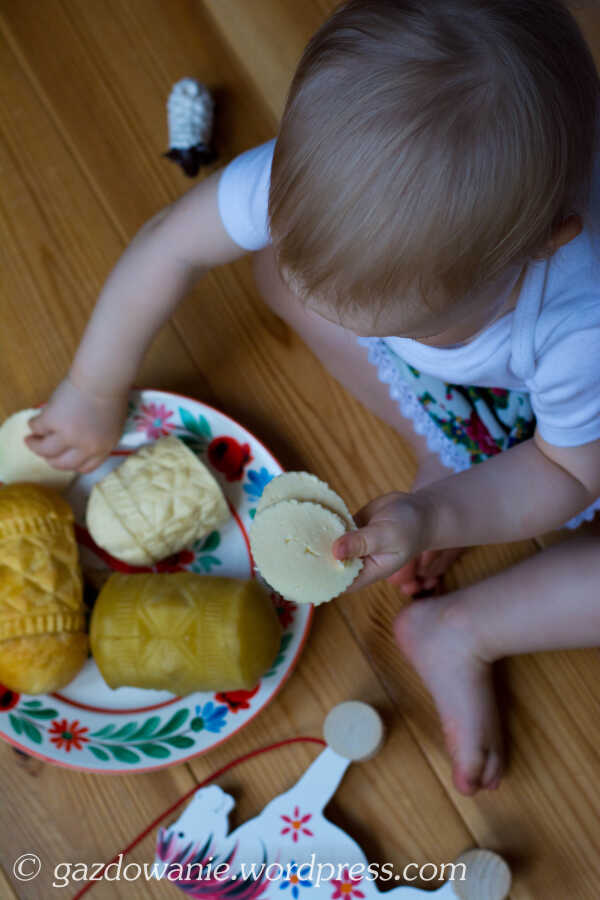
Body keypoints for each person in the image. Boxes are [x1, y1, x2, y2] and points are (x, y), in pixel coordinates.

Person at [26, 0, 600, 795]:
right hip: (498, 387)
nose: (334, 318)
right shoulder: (338, 179)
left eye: (407, 323)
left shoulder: (584, 320)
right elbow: (172, 242)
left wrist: (436, 517)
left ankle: (469, 628)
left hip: (575, 428)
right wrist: (92, 384)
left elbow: (568, 475)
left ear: (544, 244)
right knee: (271, 272)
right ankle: (442, 450)